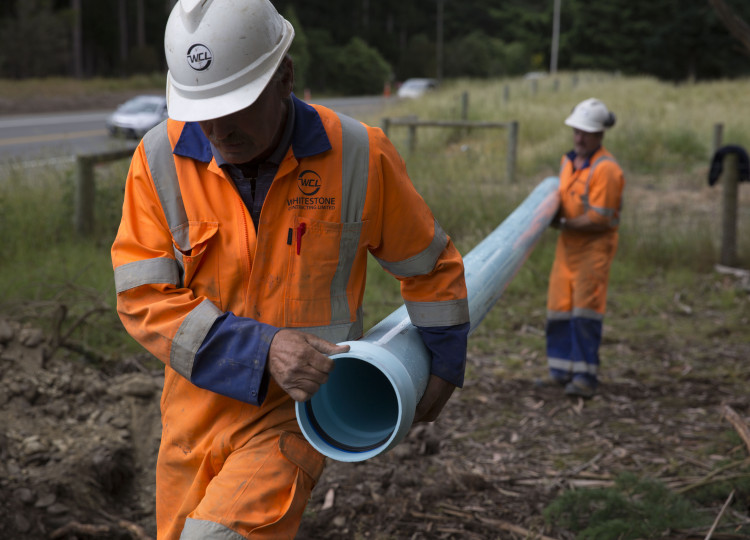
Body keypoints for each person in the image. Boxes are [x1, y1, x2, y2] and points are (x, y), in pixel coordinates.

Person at [110, 1, 470, 539]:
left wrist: (442, 365)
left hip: (294, 412)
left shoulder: (357, 155)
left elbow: (428, 266)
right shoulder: (159, 159)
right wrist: (261, 349)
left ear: (284, 78)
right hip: (190, 418)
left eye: (236, 106)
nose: (218, 129)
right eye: (204, 109)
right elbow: (143, 298)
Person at [543, 98, 625, 399]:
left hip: (593, 249)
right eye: (576, 131)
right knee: (559, 310)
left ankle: (585, 377)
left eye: (585, 133)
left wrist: (561, 222)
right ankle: (560, 371)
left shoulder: (606, 170)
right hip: (567, 249)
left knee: (584, 313)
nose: (579, 138)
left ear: (600, 135)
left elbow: (600, 218)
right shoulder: (568, 162)